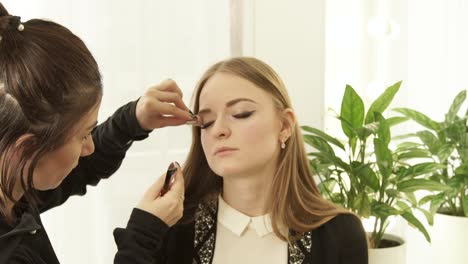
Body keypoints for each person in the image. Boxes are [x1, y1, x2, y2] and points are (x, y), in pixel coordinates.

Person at [115, 57, 369, 263]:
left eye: (241, 113)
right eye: (206, 122)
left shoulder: (341, 234)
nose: (219, 130)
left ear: (284, 125)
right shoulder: (171, 230)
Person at [0, 2, 189, 263]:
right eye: (83, 135)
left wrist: (132, 120)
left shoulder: (12, 190)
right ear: (25, 149)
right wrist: (142, 237)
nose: (89, 147)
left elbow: (79, 168)